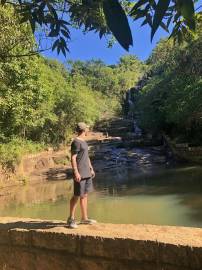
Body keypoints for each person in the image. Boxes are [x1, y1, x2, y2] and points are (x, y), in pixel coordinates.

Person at [67, 122, 96, 229]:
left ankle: (84, 218)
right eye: (87, 129)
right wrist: (76, 172)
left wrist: (91, 168)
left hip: (87, 172)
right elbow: (73, 157)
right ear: (84, 130)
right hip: (80, 173)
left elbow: (86, 157)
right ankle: (71, 219)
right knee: (76, 195)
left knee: (85, 195)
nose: (88, 130)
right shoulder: (76, 142)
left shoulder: (84, 142)